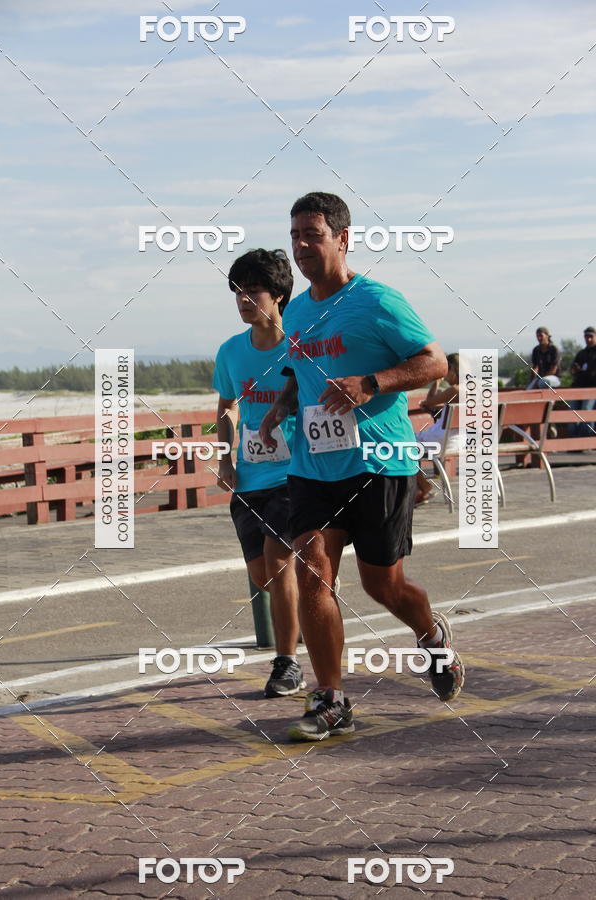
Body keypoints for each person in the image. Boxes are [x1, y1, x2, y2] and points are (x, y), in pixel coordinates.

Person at [260, 192, 465, 741]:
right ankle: (331, 698)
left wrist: (371, 384)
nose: (301, 246)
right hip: (315, 467)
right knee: (313, 573)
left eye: (313, 234)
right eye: (295, 235)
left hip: (381, 462)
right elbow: (297, 369)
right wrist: (282, 405)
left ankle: (430, 635)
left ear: (343, 239)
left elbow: (434, 362)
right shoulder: (297, 311)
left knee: (384, 586)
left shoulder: (377, 301)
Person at [214, 248, 305, 698]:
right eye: (237, 292)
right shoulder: (231, 352)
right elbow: (227, 404)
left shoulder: (301, 346)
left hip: (296, 475)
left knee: (278, 560)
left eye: (253, 292)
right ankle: (311, 599)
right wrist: (225, 456)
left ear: (279, 297)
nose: (243, 300)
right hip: (249, 478)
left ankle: (287, 664)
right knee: (263, 577)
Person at [414, 352, 460, 504]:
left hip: (445, 440)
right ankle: (421, 489)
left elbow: (429, 403)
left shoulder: (455, 390)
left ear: (453, 369)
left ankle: (423, 487)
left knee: (402, 445)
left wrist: (437, 381)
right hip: (465, 441)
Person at [569, 326, 596, 438]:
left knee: (586, 411)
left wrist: (586, 371)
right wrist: (576, 370)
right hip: (578, 387)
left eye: (591, 336)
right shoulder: (581, 353)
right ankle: (573, 439)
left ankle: (584, 439)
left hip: (592, 388)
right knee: (571, 412)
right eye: (586, 336)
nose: (588, 339)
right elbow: (573, 369)